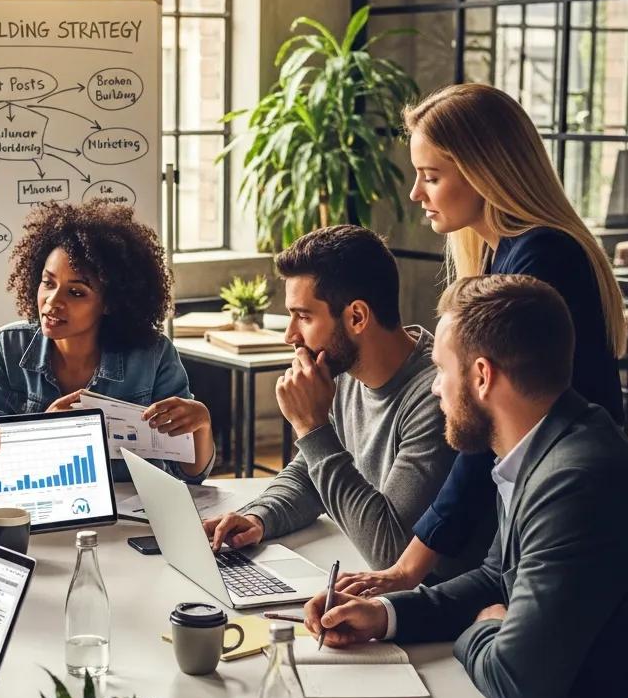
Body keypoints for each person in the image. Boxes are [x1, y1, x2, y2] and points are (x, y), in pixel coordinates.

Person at [302, 275, 628, 698]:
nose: (435, 386)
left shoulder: (574, 480)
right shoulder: (542, 447)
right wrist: (384, 614)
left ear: (481, 376)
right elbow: (494, 579)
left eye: (442, 369)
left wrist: (484, 628)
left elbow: (517, 683)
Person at [340, 83, 628, 597]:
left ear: (484, 172)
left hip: (566, 513)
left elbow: (485, 434)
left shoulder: (542, 257)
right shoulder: (505, 253)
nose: (416, 193)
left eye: (431, 176)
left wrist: (408, 567)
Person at [203, 225, 476, 575]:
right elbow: (311, 473)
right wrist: (259, 516)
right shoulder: (343, 371)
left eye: (303, 316)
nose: (290, 335)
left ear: (356, 317)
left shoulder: (435, 397)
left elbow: (391, 552)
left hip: (432, 601)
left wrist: (311, 426)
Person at [0, 200, 215, 481]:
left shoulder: (152, 355)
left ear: (109, 302)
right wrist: (44, 430)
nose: (52, 302)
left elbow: (191, 476)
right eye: (48, 283)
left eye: (76, 292)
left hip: (131, 506)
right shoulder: (8, 347)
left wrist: (202, 425)